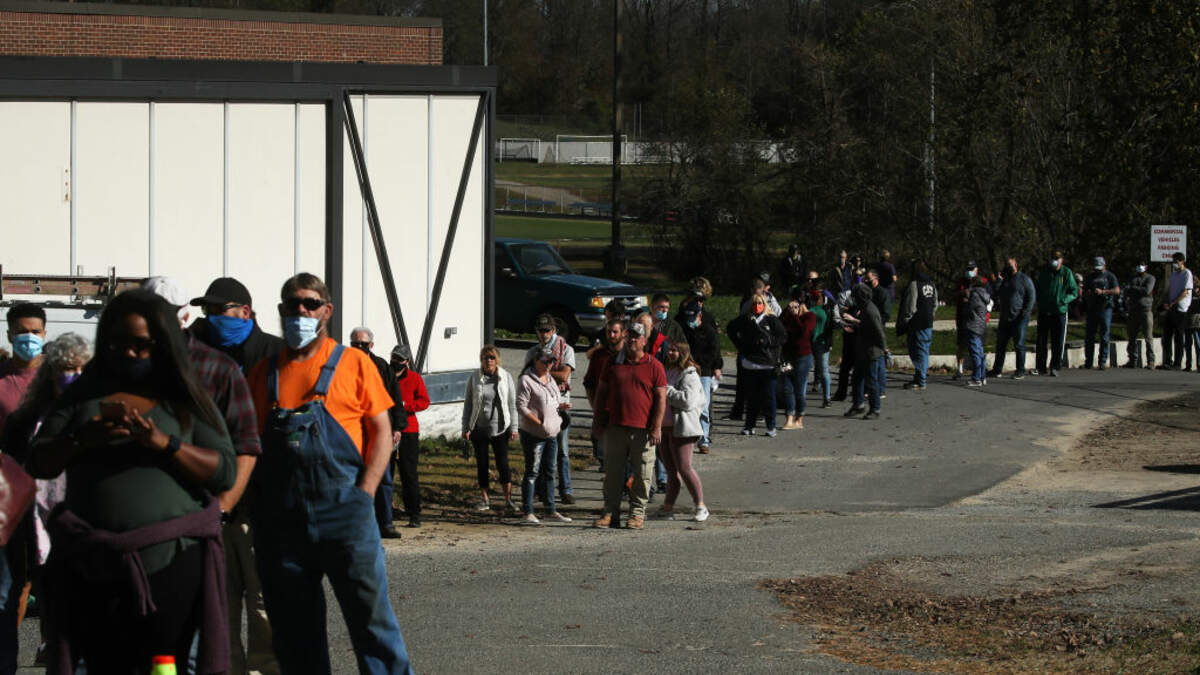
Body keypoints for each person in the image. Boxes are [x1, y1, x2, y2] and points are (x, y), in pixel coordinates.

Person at [30, 289, 236, 672]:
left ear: (163, 344)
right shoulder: (83, 395)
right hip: (93, 567)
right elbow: (38, 460)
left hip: (172, 564)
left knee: (166, 664)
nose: (128, 353)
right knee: (105, 664)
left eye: (140, 345)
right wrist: (82, 440)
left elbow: (224, 470)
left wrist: (163, 443)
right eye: (117, 344)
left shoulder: (184, 398)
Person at [245, 273, 413, 674]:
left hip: (345, 512)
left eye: (310, 303)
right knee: (294, 634)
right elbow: (249, 445)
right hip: (283, 522)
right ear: (281, 310)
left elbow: (381, 431)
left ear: (327, 310)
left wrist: (364, 493)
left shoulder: (354, 364)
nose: (300, 311)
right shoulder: (263, 374)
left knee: (373, 624)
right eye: (292, 304)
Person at [144, 276, 280, 675]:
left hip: (258, 497)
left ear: (245, 312)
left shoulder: (273, 354)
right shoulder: (192, 355)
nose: (212, 318)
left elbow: (254, 440)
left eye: (221, 310)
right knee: (218, 601)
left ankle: (266, 667)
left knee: (262, 599)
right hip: (204, 498)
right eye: (207, 311)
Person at [0, 332, 90, 672]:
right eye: (65, 369)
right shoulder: (24, 421)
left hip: (82, 527)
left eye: (79, 369)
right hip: (31, 526)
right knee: (23, 603)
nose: (72, 376)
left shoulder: (100, 416)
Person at [592, 322, 667, 530]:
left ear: (645, 341)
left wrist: (657, 426)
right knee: (613, 474)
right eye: (630, 336)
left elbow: (661, 399)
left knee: (643, 474)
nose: (632, 340)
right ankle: (610, 512)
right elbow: (601, 393)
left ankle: (636, 513)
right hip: (615, 427)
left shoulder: (654, 366)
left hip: (643, 430)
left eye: (637, 336)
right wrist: (598, 421)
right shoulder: (612, 363)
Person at [349, 327, 408, 539]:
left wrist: (398, 427)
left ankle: (385, 523)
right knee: (352, 478)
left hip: (378, 432)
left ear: (371, 345)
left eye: (363, 344)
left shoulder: (382, 367)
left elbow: (395, 398)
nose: (359, 348)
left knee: (383, 478)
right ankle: (355, 525)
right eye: (355, 344)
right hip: (352, 432)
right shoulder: (342, 365)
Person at [515, 348, 572, 525]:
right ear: (535, 361)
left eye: (551, 361)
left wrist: (561, 407)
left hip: (552, 432)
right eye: (545, 361)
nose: (549, 365)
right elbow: (521, 406)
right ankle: (528, 511)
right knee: (532, 471)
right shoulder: (526, 380)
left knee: (549, 471)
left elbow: (552, 402)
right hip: (534, 433)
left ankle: (550, 509)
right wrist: (538, 422)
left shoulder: (550, 379)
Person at [526, 314, 576, 505]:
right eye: (540, 330)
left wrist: (540, 371)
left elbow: (564, 376)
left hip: (560, 406)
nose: (543, 334)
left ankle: (566, 490)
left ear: (554, 330)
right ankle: (540, 490)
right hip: (539, 407)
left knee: (562, 450)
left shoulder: (566, 350)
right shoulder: (532, 352)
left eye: (547, 330)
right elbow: (527, 377)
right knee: (539, 449)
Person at [461, 345, 518, 514]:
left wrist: (514, 427)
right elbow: (468, 404)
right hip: (479, 428)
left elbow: (512, 404)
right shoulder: (474, 378)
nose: (489, 361)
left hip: (501, 428)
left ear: (497, 359)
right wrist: (466, 427)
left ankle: (508, 499)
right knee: (482, 464)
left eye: (492, 357)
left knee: (503, 464)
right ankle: (485, 499)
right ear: (481, 360)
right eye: (486, 358)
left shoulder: (505, 377)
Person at [657, 341, 709, 523]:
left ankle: (700, 505)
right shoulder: (666, 370)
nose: (670, 353)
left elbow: (688, 401)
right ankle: (668, 507)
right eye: (669, 350)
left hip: (683, 428)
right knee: (671, 471)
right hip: (665, 427)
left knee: (685, 468)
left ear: (683, 353)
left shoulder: (690, 374)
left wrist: (667, 390)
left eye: (674, 350)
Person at [189, 276, 285, 374]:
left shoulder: (277, 351)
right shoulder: (199, 351)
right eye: (206, 309)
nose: (211, 317)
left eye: (219, 309)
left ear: (245, 312)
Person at [727, 293, 786, 437]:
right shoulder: (746, 320)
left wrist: (768, 342)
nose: (757, 306)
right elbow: (730, 329)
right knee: (751, 398)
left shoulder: (771, 319)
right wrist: (741, 346)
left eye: (760, 303)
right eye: (754, 303)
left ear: (764, 305)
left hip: (768, 365)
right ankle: (749, 426)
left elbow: (783, 337)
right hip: (750, 364)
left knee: (768, 397)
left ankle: (771, 426)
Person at [390, 344, 429, 528]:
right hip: (386, 430)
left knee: (409, 474)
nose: (395, 361)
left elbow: (424, 401)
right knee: (385, 474)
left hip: (408, 431)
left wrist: (406, 406)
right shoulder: (384, 375)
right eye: (394, 357)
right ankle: (385, 511)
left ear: (406, 361)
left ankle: (414, 513)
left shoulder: (414, 378)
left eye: (399, 359)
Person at [677, 297, 721, 453]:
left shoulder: (709, 332)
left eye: (693, 317)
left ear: (699, 316)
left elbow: (714, 353)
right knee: (685, 404)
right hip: (685, 371)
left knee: (703, 407)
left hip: (704, 372)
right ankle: (686, 436)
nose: (691, 321)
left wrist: (702, 364)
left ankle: (704, 440)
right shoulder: (683, 330)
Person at [583, 319, 625, 472]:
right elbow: (589, 383)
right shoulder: (599, 355)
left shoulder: (630, 354)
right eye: (609, 332)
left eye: (615, 332)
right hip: (604, 413)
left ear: (623, 333)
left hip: (625, 414)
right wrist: (595, 406)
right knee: (604, 453)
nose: (611, 335)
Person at [1, 303, 46, 439]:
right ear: (10, 336)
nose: (29, 337)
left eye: (35, 332)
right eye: (22, 332)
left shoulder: (59, 372)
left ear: (44, 334)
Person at [843, 283, 886, 419]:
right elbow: (866, 325)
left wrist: (883, 349)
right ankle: (858, 405)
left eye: (855, 296)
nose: (853, 299)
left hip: (871, 351)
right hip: (863, 350)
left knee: (871, 381)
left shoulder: (870, 310)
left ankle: (875, 409)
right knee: (857, 379)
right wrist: (855, 324)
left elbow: (879, 331)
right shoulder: (864, 308)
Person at [988, 258, 1036, 379]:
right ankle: (997, 370)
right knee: (1001, 345)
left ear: (1016, 265)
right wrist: (999, 280)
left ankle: (1020, 370)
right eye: (1006, 265)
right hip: (1005, 317)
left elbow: (1031, 296)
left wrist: (1025, 313)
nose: (1008, 267)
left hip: (1019, 318)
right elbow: (996, 293)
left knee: (1019, 345)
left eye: (1010, 265)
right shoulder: (1005, 280)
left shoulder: (1024, 279)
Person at [1035, 250, 1079, 377]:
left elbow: (1074, 292)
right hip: (1045, 311)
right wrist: (1040, 302)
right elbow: (1039, 288)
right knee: (1041, 341)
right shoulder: (1045, 272)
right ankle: (1040, 367)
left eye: (1057, 258)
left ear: (1061, 260)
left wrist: (1063, 300)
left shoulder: (1066, 273)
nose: (1055, 261)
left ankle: (1055, 366)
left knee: (1058, 341)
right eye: (1053, 258)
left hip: (1059, 311)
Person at [898, 263, 938, 390]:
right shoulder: (932, 284)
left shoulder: (914, 285)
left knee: (917, 350)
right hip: (928, 322)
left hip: (917, 323)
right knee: (924, 350)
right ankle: (919, 377)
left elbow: (911, 306)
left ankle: (921, 380)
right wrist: (931, 315)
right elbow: (935, 303)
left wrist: (907, 319)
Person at [780, 298, 815, 430]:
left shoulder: (810, 317)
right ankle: (789, 417)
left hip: (803, 357)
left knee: (799, 389)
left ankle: (799, 418)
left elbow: (804, 333)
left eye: (797, 306)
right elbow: (779, 325)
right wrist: (787, 311)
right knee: (787, 387)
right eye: (792, 306)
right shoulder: (788, 316)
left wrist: (795, 316)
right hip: (787, 357)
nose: (794, 308)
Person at [1081, 257, 1121, 370]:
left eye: (1099, 268)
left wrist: (1103, 292)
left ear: (1104, 266)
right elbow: (1084, 291)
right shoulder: (1090, 277)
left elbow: (1117, 290)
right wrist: (1089, 293)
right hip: (1092, 309)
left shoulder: (1110, 276)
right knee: (1089, 336)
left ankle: (1102, 361)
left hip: (1105, 308)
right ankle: (1088, 361)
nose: (1097, 271)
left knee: (1104, 336)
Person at [1158, 252, 1192, 370]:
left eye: (1176, 261)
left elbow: (1185, 292)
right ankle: (1167, 361)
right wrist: (1165, 302)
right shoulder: (1173, 275)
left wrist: (1173, 303)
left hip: (1181, 308)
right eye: (1173, 261)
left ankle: (1177, 363)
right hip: (1171, 308)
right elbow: (1170, 290)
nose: (1175, 264)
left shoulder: (1187, 273)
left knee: (1178, 336)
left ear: (1182, 261)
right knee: (1167, 336)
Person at [1124, 263, 1157, 368]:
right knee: (1131, 336)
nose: (1139, 267)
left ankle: (1151, 361)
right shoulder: (1133, 278)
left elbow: (1147, 291)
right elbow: (1127, 290)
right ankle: (1132, 360)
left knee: (1148, 337)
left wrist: (1133, 289)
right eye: (1138, 265)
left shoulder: (1150, 278)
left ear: (1146, 267)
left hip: (1145, 310)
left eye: (1142, 265)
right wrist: (1136, 289)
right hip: (1133, 310)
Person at [808, 286, 834, 406]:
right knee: (809, 370)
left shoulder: (827, 309)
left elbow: (831, 326)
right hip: (811, 342)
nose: (817, 298)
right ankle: (801, 399)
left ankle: (827, 397)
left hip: (822, 343)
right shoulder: (810, 309)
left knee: (823, 370)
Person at [964, 275, 992, 386]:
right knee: (980, 352)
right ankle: (982, 376)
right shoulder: (984, 294)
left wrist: (967, 299)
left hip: (973, 325)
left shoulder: (975, 295)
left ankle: (976, 378)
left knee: (975, 353)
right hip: (981, 325)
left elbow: (969, 309)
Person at [953, 261, 979, 380]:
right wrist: (963, 293)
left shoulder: (980, 282)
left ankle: (978, 369)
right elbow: (955, 294)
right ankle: (959, 368)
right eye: (968, 269)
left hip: (975, 318)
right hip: (962, 317)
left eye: (972, 269)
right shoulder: (961, 282)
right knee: (961, 344)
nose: (969, 272)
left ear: (976, 270)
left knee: (975, 343)